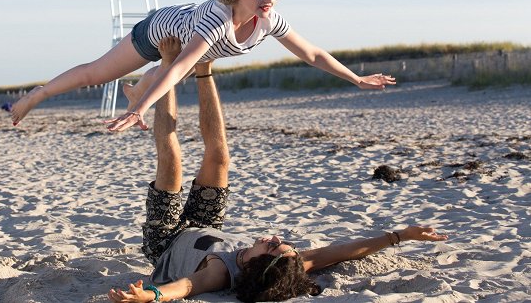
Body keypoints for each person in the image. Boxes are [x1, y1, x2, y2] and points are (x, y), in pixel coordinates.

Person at [107, 37, 447, 303]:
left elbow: (183, 287)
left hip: (165, 241)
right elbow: (339, 251)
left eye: (272, 247)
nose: (277, 239)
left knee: (172, 161)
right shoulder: (289, 261)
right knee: (221, 158)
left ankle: (166, 67)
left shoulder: (219, 274)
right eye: (284, 245)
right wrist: (399, 236)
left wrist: (148, 295)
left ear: (252, 265)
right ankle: (204, 67)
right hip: (205, 226)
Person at [9, 0, 396, 130]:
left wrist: (357, 79)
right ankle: (35, 96)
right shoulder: (217, 21)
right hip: (158, 31)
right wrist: (140, 110)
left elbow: (312, 54)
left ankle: (138, 90)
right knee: (97, 74)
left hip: (178, 45)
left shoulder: (269, 19)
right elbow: (179, 67)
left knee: (152, 80)